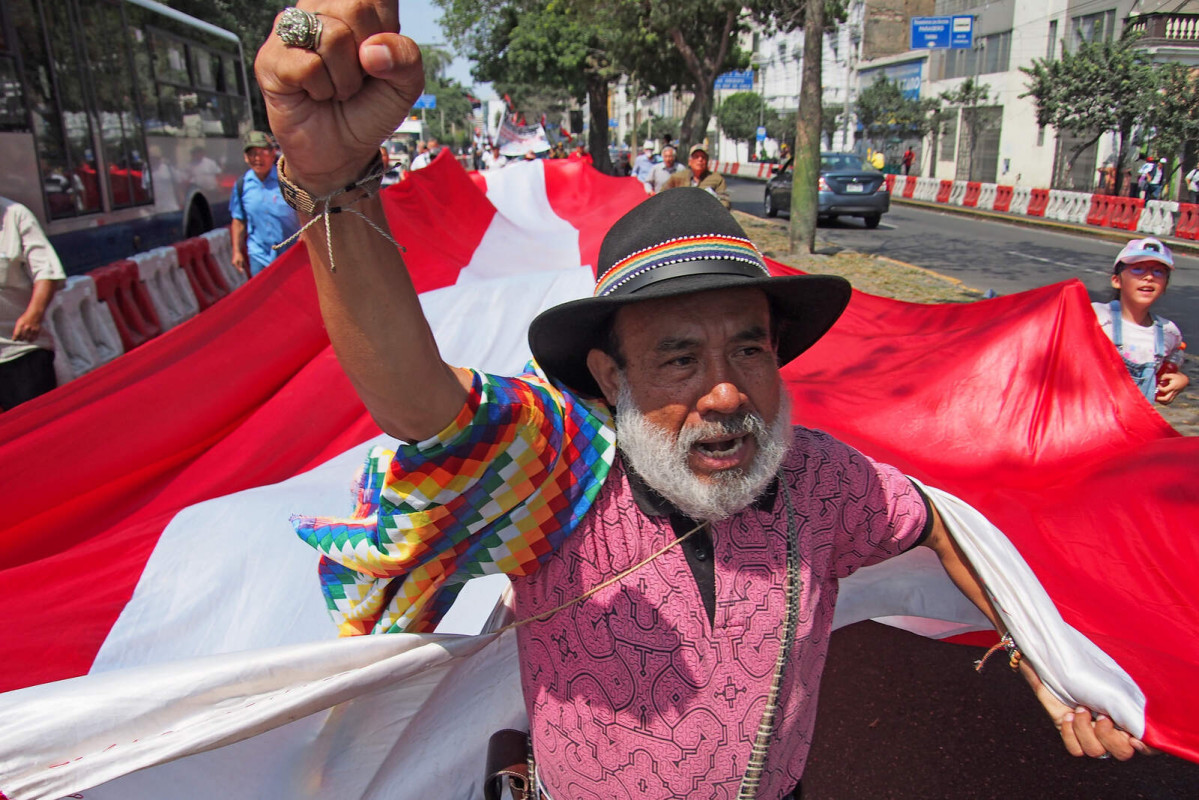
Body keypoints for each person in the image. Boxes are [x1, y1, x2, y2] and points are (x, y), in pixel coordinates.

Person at [256, 7, 1147, 797]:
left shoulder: (826, 482)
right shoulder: (558, 476)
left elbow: (938, 521)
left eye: (749, 349)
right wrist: (334, 182)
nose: (726, 391)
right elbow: (420, 404)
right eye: (677, 358)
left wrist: (1044, 653)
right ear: (610, 380)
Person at [1092, 237, 1188, 405]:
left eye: (1158, 271)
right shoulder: (1094, 315)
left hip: (1134, 428)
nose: (1149, 277)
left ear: (1165, 285)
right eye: (1138, 269)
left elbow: (1172, 362)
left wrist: (1180, 379)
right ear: (1116, 280)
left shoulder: (1169, 332)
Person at [1, 196, 65, 411]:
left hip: (20, 352)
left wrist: (34, 315)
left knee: (37, 434)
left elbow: (46, 272)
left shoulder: (16, 216)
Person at [229, 130, 301, 278]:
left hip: (291, 253)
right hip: (259, 255)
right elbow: (239, 220)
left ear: (273, 153)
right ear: (245, 157)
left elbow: (305, 212)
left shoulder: (288, 181)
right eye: (252, 154)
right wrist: (236, 251)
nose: (257, 158)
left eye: (263, 152)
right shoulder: (242, 185)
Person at [665, 144, 731, 208]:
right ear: (689, 161)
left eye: (703, 157)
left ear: (707, 161)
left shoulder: (717, 179)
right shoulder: (677, 178)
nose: (700, 160)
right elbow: (662, 197)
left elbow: (725, 202)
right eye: (696, 157)